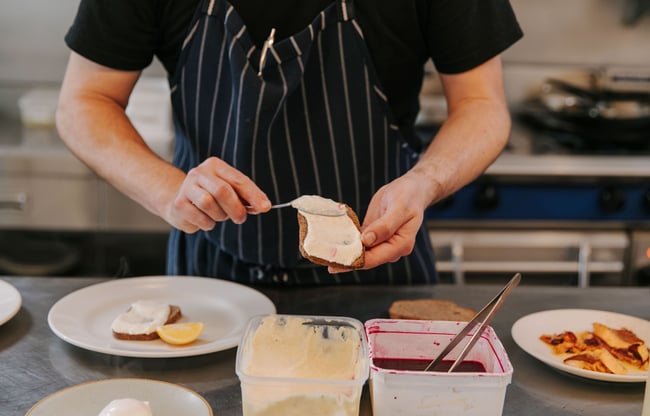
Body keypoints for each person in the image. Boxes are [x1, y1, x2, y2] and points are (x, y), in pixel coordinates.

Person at [56, 0, 523, 285]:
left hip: (380, 268)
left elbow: (481, 104)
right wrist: (169, 190)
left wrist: (425, 182)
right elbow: (84, 103)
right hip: (216, 277)